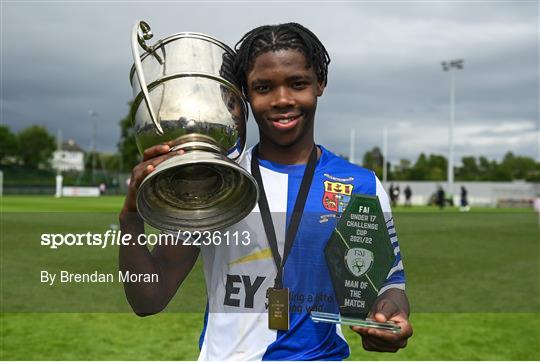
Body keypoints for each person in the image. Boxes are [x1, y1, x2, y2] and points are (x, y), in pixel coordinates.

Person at [119, 23, 412, 360]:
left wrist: (390, 314)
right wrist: (130, 219)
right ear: (244, 92)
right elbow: (148, 298)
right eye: (263, 87)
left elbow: (388, 285)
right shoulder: (215, 181)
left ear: (320, 82)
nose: (282, 99)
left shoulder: (357, 185)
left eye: (297, 83)